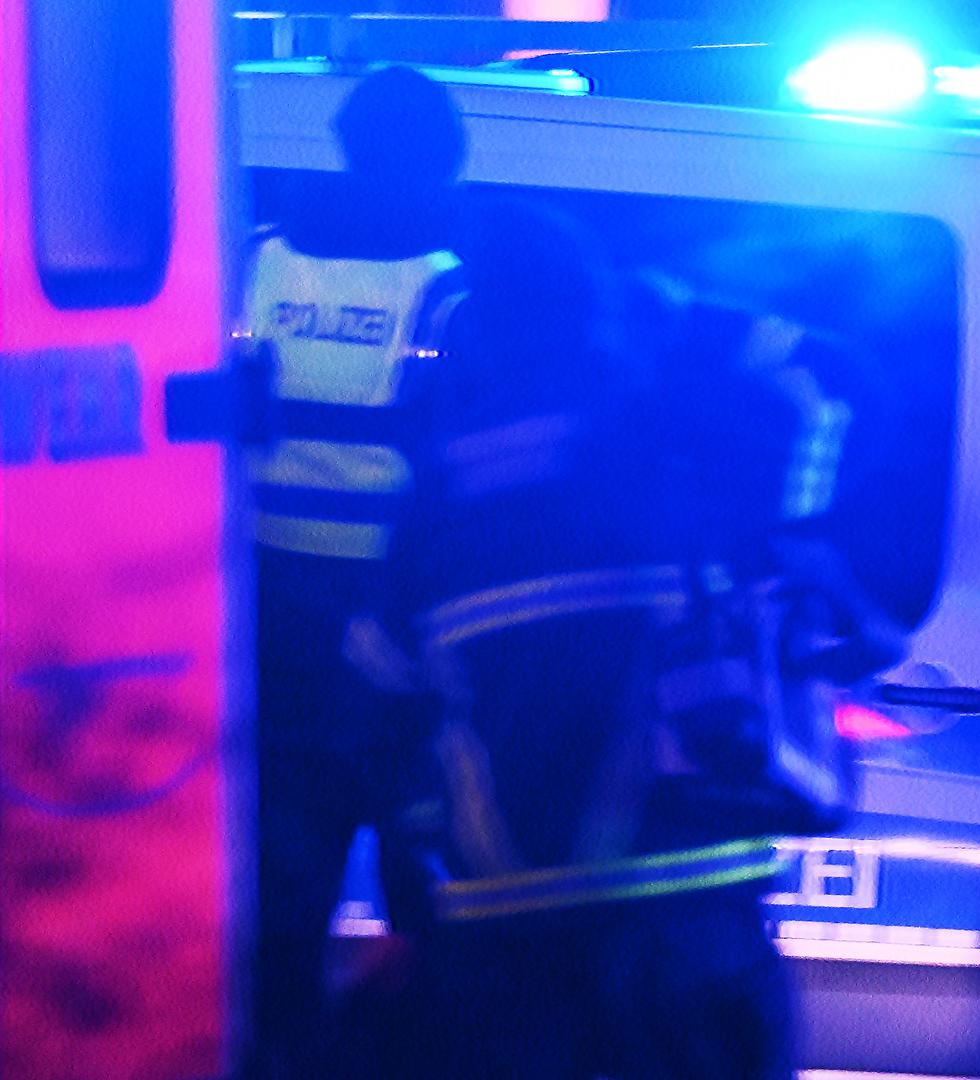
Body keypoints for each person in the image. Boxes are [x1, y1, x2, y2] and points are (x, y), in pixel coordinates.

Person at [362, 197, 897, 1079]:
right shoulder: (667, 451)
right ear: (597, 309)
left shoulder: (437, 498)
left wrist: (421, 913)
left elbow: (383, 719)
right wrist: (691, 317)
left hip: (507, 947)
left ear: (480, 334)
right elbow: (838, 385)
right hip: (691, 934)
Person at [239, 65, 467, 1078]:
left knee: (279, 920)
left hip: (267, 635)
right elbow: (470, 481)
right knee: (439, 925)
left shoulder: (252, 267)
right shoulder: (451, 292)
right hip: (405, 653)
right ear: (436, 164)